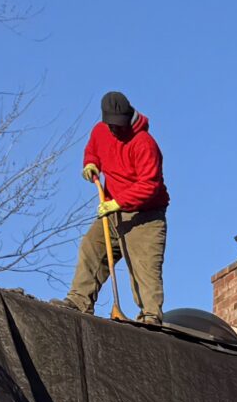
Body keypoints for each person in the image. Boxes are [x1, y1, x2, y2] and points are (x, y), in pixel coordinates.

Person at [68, 93, 168, 321]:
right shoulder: (100, 131)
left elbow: (149, 185)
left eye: (120, 125)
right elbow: (93, 150)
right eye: (112, 125)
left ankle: (150, 316)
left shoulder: (144, 143)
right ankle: (79, 300)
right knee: (91, 248)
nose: (116, 130)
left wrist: (118, 202)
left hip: (145, 216)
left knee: (143, 267)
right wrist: (91, 163)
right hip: (113, 212)